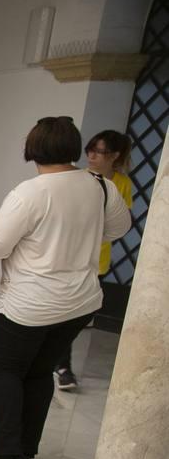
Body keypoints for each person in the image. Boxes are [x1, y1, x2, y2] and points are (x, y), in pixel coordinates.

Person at [0, 116, 131, 459]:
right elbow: (120, 228)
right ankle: (26, 448)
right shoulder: (101, 185)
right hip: (80, 301)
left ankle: (3, 449)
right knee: (40, 371)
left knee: (3, 370)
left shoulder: (31, 192)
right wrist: (78, 238)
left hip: (29, 303)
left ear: (34, 147)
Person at [52, 129, 135, 391]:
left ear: (115, 156)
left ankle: (57, 360)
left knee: (79, 315)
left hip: (97, 260)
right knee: (61, 314)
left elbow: (120, 222)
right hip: (68, 256)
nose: (92, 156)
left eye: (98, 152)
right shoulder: (80, 178)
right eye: (90, 150)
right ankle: (62, 366)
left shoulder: (121, 184)